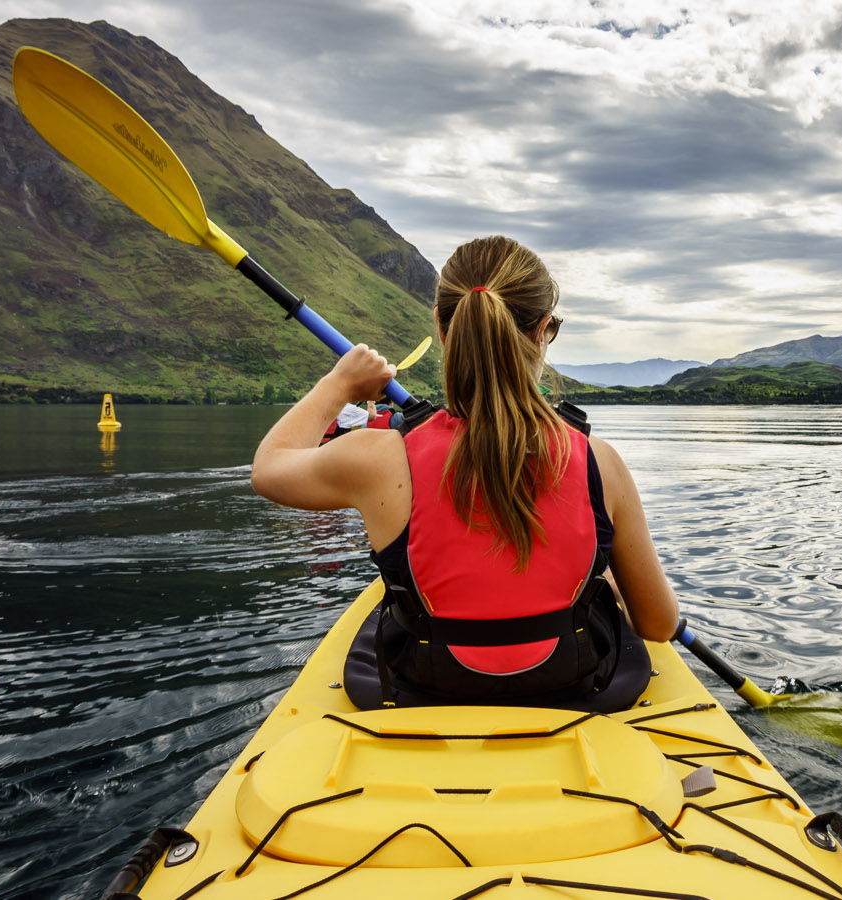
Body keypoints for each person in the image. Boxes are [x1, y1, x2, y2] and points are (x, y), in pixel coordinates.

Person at [251, 235, 678, 712]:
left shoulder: (377, 457)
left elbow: (269, 468)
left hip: (423, 688)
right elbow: (658, 625)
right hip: (573, 689)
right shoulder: (600, 461)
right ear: (544, 332)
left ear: (441, 324)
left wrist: (340, 383)